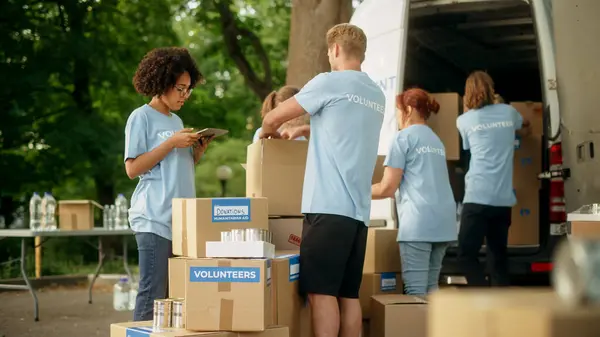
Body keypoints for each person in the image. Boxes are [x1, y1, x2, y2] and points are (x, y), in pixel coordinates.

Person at [259, 23, 385, 337]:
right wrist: (305, 130)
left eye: (329, 51)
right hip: (358, 214)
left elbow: (272, 117)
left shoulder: (328, 83)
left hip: (327, 209)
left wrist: (269, 137)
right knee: (348, 296)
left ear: (336, 50)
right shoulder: (375, 94)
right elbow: (344, 130)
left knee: (320, 294)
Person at [124, 47, 209, 321]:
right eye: (180, 89)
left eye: (188, 89)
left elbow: (174, 170)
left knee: (174, 302)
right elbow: (133, 168)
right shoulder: (141, 117)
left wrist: (196, 153)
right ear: (162, 83)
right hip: (154, 219)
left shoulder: (178, 120)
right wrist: (172, 142)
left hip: (181, 224)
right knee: (151, 297)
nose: (185, 95)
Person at [371, 88, 457, 295]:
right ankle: (433, 329)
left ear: (408, 109)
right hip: (443, 222)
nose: (397, 117)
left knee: (415, 292)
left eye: (398, 111)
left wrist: (353, 191)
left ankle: (416, 329)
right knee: (431, 289)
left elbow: (387, 188)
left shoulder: (403, 138)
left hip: (418, 222)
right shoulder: (436, 140)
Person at [456, 71, 531, 287]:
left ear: (467, 94)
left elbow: (468, 148)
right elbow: (525, 126)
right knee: (498, 257)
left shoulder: (464, 121)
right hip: (502, 200)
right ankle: (501, 306)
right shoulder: (509, 113)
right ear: (491, 89)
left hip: (477, 197)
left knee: (466, 254)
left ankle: (482, 297)